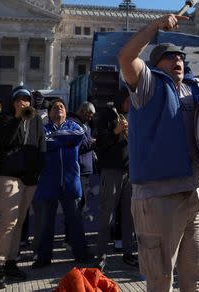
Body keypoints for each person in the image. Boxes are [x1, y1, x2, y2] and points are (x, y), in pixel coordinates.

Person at [118, 14, 199, 292]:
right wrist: (154, 26)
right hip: (157, 197)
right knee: (161, 280)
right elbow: (126, 57)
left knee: (196, 276)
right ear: (156, 64)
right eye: (170, 57)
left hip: (192, 193)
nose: (178, 61)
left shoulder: (189, 86)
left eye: (181, 58)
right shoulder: (148, 84)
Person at [0, 86, 46, 289]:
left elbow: (41, 145)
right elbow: (5, 141)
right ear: (13, 101)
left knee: (20, 222)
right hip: (9, 175)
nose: (23, 103)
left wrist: (39, 169)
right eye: (19, 99)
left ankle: (12, 262)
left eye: (26, 99)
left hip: (30, 177)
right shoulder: (4, 118)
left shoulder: (37, 119)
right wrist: (17, 118)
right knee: (8, 221)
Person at [32, 98, 89, 267]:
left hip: (70, 182)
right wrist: (64, 141)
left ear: (66, 111)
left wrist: (54, 141)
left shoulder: (74, 126)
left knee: (75, 221)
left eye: (62, 107)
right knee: (45, 223)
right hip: (48, 182)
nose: (59, 109)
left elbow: (79, 136)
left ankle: (81, 256)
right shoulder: (43, 129)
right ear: (49, 114)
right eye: (55, 108)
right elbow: (43, 143)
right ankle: (43, 258)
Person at [92, 93, 136, 269]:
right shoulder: (107, 115)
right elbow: (99, 142)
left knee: (129, 216)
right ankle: (101, 255)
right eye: (126, 100)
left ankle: (128, 253)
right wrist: (116, 131)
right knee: (106, 215)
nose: (130, 103)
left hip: (131, 170)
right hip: (111, 170)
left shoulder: (134, 116)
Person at [65, 102, 96, 243]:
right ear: (83, 111)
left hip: (84, 170)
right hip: (78, 171)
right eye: (89, 115)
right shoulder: (74, 124)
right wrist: (95, 142)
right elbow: (82, 145)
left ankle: (72, 238)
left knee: (80, 206)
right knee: (76, 207)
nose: (90, 118)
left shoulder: (84, 125)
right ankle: (72, 239)